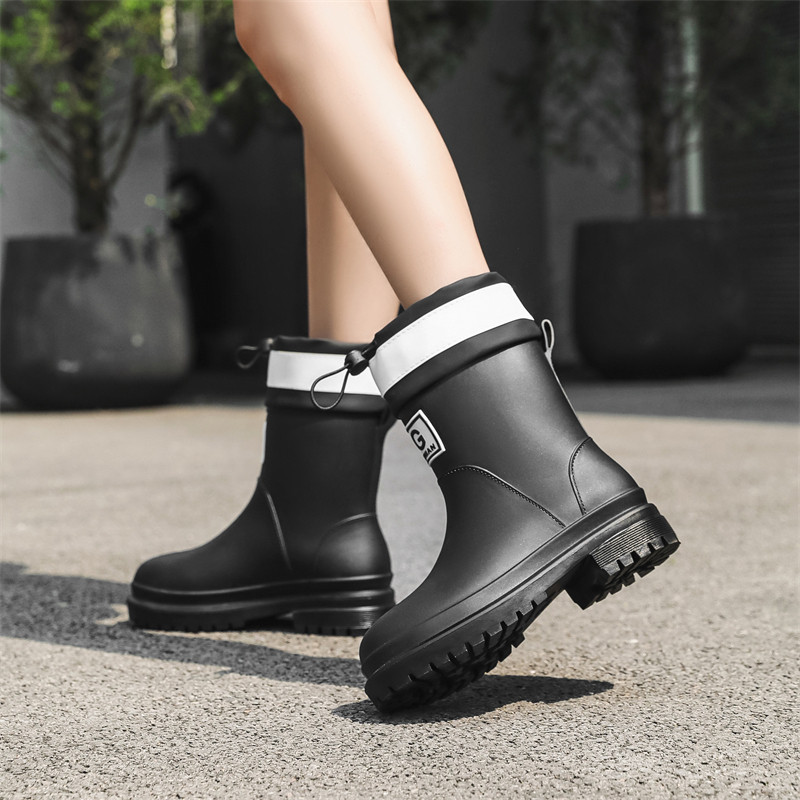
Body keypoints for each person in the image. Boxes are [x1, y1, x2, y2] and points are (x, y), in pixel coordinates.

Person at [127, 0, 680, 712]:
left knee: (287, 19)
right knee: (335, 31)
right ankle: (313, 514)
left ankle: (524, 464)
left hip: (535, 472)